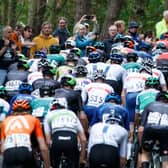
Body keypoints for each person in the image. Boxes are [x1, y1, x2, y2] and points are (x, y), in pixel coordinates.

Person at [1, 99, 50, 168]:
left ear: (12, 112)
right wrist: (47, 165)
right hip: (25, 151)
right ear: (29, 111)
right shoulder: (33, 119)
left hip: (9, 152)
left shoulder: (5, 121)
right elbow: (43, 147)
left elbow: (2, 149)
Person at [44, 97, 87, 168]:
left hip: (56, 139)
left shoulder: (49, 115)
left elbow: (48, 142)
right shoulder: (72, 114)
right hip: (71, 140)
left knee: (53, 164)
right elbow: (84, 139)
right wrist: (82, 159)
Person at [138, 91, 168, 168]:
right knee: (166, 159)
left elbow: (141, 129)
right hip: (165, 131)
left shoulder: (149, 105)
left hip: (150, 129)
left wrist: (141, 146)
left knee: (145, 153)